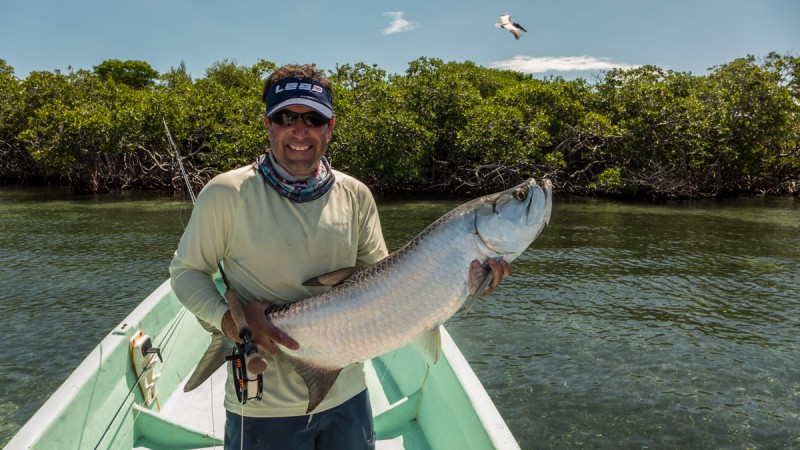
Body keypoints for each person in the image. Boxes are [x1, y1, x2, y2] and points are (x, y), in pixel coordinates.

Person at [169, 63, 510, 449]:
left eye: (313, 118)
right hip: (263, 408)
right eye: (286, 117)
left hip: (347, 396)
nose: (300, 130)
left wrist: (459, 286)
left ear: (329, 127)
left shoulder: (356, 195)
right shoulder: (227, 193)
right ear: (268, 124)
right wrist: (228, 321)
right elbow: (185, 273)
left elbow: (391, 290)